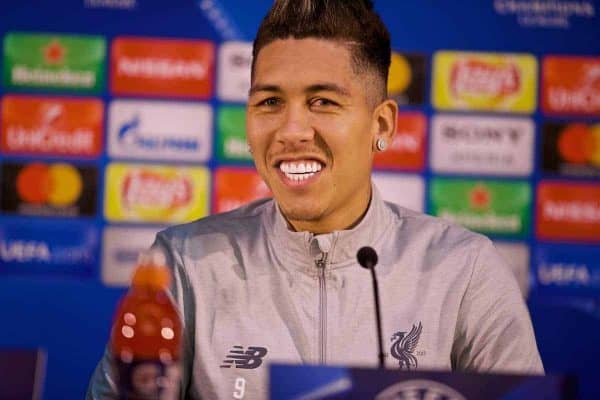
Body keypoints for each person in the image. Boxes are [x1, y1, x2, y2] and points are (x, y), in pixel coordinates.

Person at [88, 0, 543, 398]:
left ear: (381, 126)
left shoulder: (465, 271)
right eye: (269, 103)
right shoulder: (183, 265)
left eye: (323, 102)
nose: (290, 131)